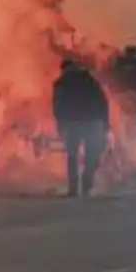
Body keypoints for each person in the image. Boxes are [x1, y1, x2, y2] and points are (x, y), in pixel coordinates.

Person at [53, 59, 110, 198]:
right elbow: (103, 101)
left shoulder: (61, 83)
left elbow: (57, 106)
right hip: (92, 121)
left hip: (73, 122)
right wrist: (105, 121)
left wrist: (60, 123)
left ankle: (74, 188)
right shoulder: (89, 80)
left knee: (72, 156)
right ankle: (86, 182)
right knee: (93, 153)